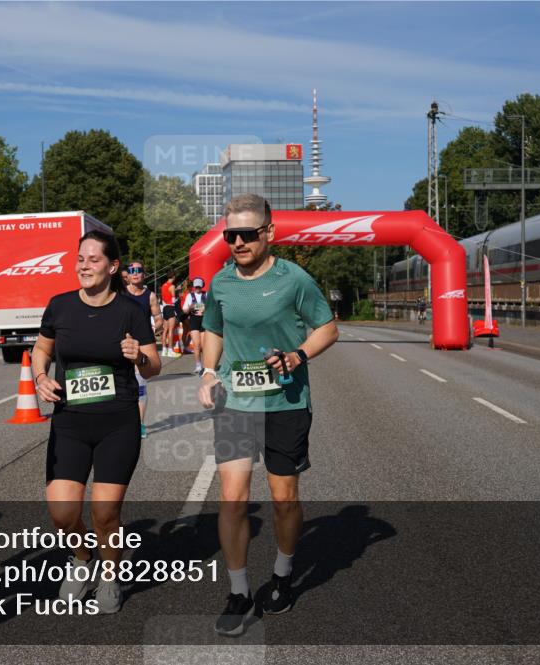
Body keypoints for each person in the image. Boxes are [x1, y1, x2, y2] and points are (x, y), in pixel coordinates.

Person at [197, 194, 338, 636]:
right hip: (238, 402)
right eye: (230, 235)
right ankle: (238, 591)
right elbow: (213, 328)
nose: (237, 242)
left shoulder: (294, 279)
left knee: (283, 499)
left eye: (247, 234)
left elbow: (328, 327)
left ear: (269, 234)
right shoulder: (221, 283)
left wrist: (298, 355)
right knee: (233, 497)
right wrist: (206, 371)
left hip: (286, 403)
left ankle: (281, 575)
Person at [31, 231, 160, 614]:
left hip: (116, 423)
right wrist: (40, 377)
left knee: (105, 513)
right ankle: (82, 560)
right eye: (80, 259)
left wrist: (138, 355)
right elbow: (41, 348)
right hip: (70, 422)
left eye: (93, 259)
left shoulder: (130, 311)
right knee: (62, 511)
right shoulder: (60, 306)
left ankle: (110, 575)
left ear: (113, 266)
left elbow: (153, 368)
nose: (84, 266)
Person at [123, 261, 164, 439]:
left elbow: (158, 317)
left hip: (144, 344)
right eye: (132, 270)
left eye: (139, 270)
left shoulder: (150, 296)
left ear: (143, 274)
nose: (135, 273)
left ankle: (139, 424)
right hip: (122, 342)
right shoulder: (121, 293)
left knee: (140, 386)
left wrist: (159, 326)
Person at [182, 277, 207, 375]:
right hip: (194, 320)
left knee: (204, 345)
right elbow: (184, 310)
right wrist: (190, 307)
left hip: (204, 320)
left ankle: (206, 365)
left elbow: (211, 307)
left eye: (199, 287)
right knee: (197, 345)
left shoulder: (206, 294)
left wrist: (206, 309)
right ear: (193, 287)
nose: (197, 288)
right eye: (196, 287)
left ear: (202, 286)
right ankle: (198, 365)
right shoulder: (189, 296)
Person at [159, 270, 177, 356]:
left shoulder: (163, 285)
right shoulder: (172, 286)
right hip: (170, 307)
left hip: (165, 308)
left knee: (165, 330)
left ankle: (164, 350)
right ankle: (170, 349)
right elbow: (173, 300)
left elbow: (165, 296)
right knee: (171, 330)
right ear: (173, 277)